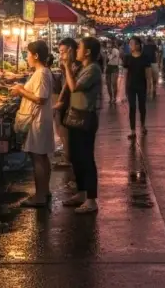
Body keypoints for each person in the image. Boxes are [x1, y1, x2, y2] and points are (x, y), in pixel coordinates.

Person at [10, 40, 55, 208]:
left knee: (37, 157)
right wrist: (23, 88)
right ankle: (45, 191)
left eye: (28, 54)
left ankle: (40, 196)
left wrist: (21, 91)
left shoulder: (42, 73)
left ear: (36, 56)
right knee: (42, 156)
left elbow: (40, 98)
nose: (27, 57)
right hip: (41, 118)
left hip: (39, 120)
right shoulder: (41, 72)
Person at [61, 36, 102, 214]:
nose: (76, 50)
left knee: (86, 158)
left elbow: (74, 87)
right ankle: (81, 192)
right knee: (76, 157)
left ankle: (91, 200)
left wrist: (67, 67)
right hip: (75, 116)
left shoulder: (93, 69)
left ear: (87, 52)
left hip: (86, 118)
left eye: (79, 48)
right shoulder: (83, 67)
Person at [53, 38, 80, 170]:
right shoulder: (70, 64)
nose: (61, 54)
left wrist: (60, 101)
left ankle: (68, 157)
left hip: (71, 101)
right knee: (61, 126)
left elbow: (69, 86)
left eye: (63, 51)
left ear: (71, 50)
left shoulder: (76, 65)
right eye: (60, 52)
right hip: (67, 99)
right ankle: (67, 153)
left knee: (64, 128)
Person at [122, 36, 152, 138]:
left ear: (138, 45)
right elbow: (125, 74)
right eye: (129, 44)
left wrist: (149, 87)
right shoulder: (127, 57)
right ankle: (133, 130)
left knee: (142, 107)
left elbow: (148, 74)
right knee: (132, 107)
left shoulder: (145, 57)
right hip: (131, 86)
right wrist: (123, 89)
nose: (130, 46)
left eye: (132, 43)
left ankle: (143, 126)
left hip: (142, 86)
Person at [103, 40, 121, 104]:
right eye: (108, 47)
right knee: (108, 84)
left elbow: (109, 58)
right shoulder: (107, 52)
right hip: (108, 68)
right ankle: (111, 98)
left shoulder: (115, 51)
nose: (108, 48)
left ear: (113, 46)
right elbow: (105, 61)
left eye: (110, 47)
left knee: (114, 84)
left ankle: (114, 98)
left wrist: (107, 54)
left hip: (114, 68)